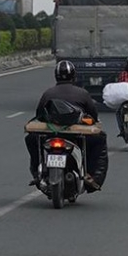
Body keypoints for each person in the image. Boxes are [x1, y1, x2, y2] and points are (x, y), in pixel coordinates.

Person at [27, 60, 110, 189]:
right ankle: (94, 176)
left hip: (51, 134)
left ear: (56, 76)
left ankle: (36, 173)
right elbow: (94, 115)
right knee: (100, 139)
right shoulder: (82, 93)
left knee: (31, 139)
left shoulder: (48, 93)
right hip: (75, 137)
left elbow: (39, 114)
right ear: (74, 76)